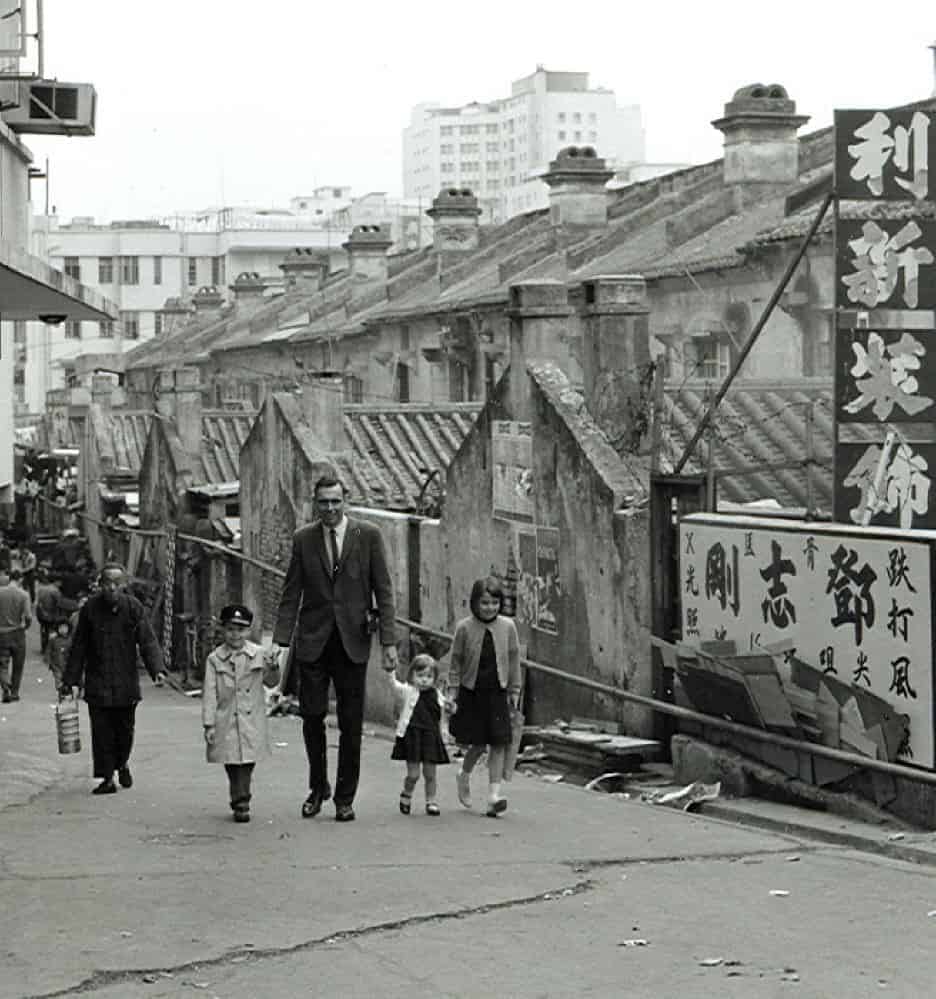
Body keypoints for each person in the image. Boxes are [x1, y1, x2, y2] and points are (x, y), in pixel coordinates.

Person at [273, 473, 398, 823]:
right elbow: (290, 593)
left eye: (335, 501)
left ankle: (345, 797)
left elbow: (383, 591)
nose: (329, 508)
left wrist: (388, 642)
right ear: (315, 503)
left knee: (350, 723)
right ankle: (318, 787)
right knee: (311, 716)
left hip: (352, 642)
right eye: (323, 502)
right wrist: (279, 643)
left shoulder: (368, 535)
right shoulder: (304, 539)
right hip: (313, 642)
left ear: (346, 500)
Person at [61, 563, 166, 795]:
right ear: (100, 585)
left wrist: (157, 669)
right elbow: (79, 647)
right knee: (101, 732)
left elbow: (147, 640)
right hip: (98, 682)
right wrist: (71, 681)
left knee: (125, 730)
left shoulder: (133, 608)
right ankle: (107, 778)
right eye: (107, 583)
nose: (111, 588)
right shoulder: (90, 609)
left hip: (125, 682)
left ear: (124, 585)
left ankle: (122, 763)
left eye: (116, 584)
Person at [448, 576, 522, 818]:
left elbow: (513, 659)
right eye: (485, 603)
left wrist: (514, 690)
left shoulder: (508, 627)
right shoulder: (464, 628)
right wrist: (453, 689)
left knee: (499, 742)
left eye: (495, 603)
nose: (490, 608)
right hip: (473, 691)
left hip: (498, 692)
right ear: (475, 603)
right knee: (478, 744)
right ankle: (464, 774)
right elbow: (455, 660)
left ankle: (493, 796)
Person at [202, 604, 280, 824]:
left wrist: (273, 667)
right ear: (223, 630)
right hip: (226, 718)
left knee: (247, 761)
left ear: (247, 631)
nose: (235, 635)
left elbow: (272, 682)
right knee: (231, 760)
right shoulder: (214, 659)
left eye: (240, 629)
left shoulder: (258, 654)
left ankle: (242, 801)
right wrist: (209, 724)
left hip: (251, 718)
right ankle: (238, 797)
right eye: (230, 629)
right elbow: (209, 693)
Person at [384, 653, 450, 817]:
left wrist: (451, 708)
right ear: (412, 675)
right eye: (420, 675)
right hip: (412, 736)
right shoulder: (408, 691)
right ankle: (407, 794)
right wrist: (391, 670)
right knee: (413, 774)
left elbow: (446, 709)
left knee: (430, 773)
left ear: (434, 678)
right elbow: (394, 686)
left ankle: (431, 801)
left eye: (429, 676)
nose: (424, 680)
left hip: (430, 737)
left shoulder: (437, 694)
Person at [0, 566, 31, 703]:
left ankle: (5, 687)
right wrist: (26, 626)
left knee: (3, 664)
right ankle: (14, 692)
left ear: (9, 578)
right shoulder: (24, 595)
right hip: (18, 633)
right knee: (18, 665)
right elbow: (28, 616)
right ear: (20, 579)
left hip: (1, 633)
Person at [46, 618, 73, 690]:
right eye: (61, 627)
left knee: (67, 677)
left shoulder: (70, 640)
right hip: (56, 664)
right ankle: (59, 687)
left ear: (68, 629)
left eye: (65, 627)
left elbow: (73, 651)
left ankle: (66, 688)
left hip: (67, 663)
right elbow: (48, 650)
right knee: (58, 676)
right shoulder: (53, 640)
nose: (63, 629)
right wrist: (48, 660)